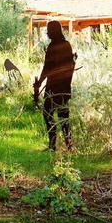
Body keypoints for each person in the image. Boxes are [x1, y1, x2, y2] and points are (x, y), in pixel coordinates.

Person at [34, 20, 76, 151]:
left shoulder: (53, 47)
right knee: (63, 117)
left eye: (49, 30)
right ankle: (68, 146)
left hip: (53, 87)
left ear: (54, 31)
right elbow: (70, 66)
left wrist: (39, 83)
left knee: (48, 114)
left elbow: (47, 67)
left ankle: (53, 145)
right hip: (64, 88)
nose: (47, 33)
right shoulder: (67, 45)